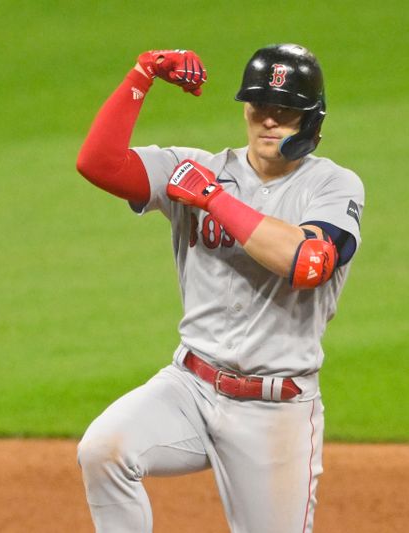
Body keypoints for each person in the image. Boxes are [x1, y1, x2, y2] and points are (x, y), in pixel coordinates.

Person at [75, 43, 365, 533]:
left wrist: (213, 200)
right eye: (259, 106)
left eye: (284, 110)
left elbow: (306, 262)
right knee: (104, 451)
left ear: (311, 119)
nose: (269, 121)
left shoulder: (333, 187)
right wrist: (142, 73)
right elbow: (98, 163)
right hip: (190, 386)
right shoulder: (196, 165)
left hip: (274, 410)